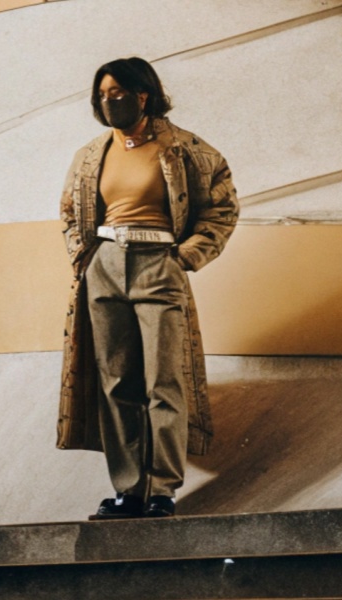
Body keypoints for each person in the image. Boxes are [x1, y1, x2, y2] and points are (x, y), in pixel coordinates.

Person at [56, 57, 238, 520]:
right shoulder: (91, 154)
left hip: (159, 262)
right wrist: (84, 254)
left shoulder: (185, 149)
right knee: (117, 383)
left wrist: (186, 256)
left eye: (117, 93)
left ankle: (162, 489)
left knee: (164, 381)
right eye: (101, 95)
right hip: (105, 265)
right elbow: (69, 211)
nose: (108, 101)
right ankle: (128, 489)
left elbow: (222, 206)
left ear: (143, 94)